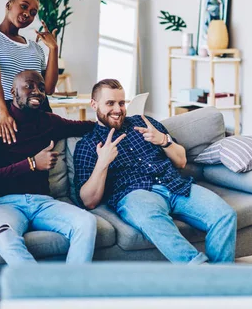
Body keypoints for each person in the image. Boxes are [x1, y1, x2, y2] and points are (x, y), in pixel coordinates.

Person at [74, 79, 237, 264]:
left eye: (121, 103)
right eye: (110, 103)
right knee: (152, 220)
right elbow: (89, 201)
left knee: (225, 215)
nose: (118, 109)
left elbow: (181, 161)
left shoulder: (146, 123)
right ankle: (206, 275)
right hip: (136, 194)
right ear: (94, 104)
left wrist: (163, 141)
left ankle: (221, 280)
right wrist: (102, 163)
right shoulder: (87, 144)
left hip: (176, 185)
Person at [0, 70, 97, 264]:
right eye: (29, 86)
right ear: (13, 91)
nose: (37, 91)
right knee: (5, 237)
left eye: (41, 88)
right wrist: (31, 164)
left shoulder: (49, 122)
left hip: (43, 203)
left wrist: (120, 119)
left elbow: (86, 126)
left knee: (86, 222)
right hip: (3, 205)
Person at [0, 0, 59, 145]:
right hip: (6, 108)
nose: (28, 14)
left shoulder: (35, 47)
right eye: (24, 6)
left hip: (38, 110)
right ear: (9, 5)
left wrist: (53, 49)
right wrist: (3, 113)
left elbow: (48, 89)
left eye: (33, 12)